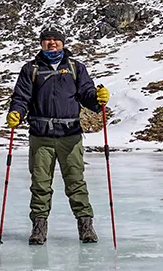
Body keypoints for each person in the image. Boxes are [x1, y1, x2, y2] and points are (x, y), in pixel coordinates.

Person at [7, 26, 110, 245]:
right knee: (40, 185)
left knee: (76, 182)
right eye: (47, 39)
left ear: (63, 42)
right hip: (41, 137)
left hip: (70, 136)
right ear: (41, 43)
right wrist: (16, 112)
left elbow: (87, 95)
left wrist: (98, 99)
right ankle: (39, 229)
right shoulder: (31, 69)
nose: (52, 43)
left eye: (56, 39)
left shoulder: (75, 68)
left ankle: (86, 227)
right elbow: (21, 98)